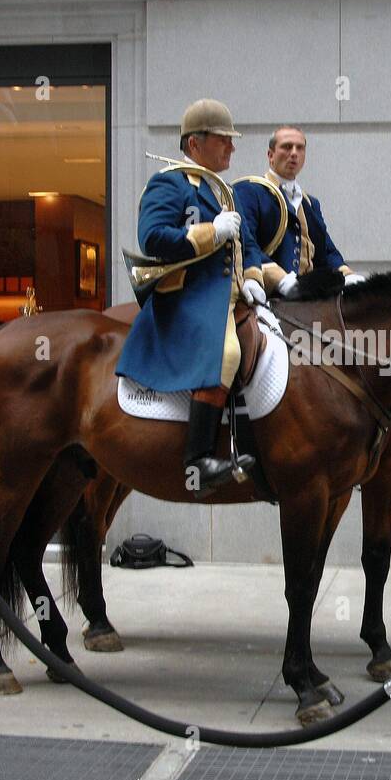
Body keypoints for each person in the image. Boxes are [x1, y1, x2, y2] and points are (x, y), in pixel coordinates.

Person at [115, 98, 267, 498]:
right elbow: (153, 237)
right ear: (195, 143)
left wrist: (254, 277)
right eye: (223, 139)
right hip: (190, 296)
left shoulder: (226, 191)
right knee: (227, 352)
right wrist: (210, 232)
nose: (232, 147)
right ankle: (197, 458)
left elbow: (249, 245)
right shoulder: (170, 183)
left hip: (234, 296)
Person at [235, 125, 364, 296]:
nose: (294, 153)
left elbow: (327, 251)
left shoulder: (310, 203)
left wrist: (346, 275)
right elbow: (245, 243)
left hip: (309, 295)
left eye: (300, 148)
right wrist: (279, 279)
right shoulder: (250, 191)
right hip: (267, 293)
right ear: (270, 155)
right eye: (287, 147)